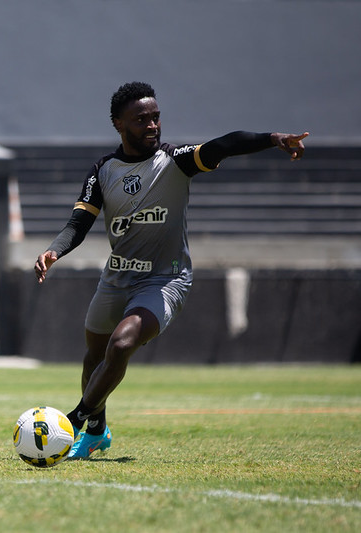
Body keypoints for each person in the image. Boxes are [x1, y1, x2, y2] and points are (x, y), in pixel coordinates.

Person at [34, 81, 308, 459]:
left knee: (122, 343)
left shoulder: (175, 161)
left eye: (155, 117)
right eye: (141, 119)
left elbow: (224, 145)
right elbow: (78, 224)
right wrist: (53, 251)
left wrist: (273, 138)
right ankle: (97, 431)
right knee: (94, 356)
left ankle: (74, 420)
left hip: (165, 280)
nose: (152, 125)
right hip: (116, 277)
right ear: (119, 124)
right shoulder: (104, 170)